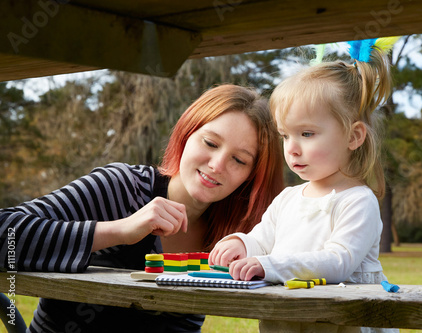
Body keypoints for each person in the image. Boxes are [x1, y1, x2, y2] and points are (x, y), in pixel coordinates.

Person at [0, 84, 284, 332]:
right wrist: (120, 230)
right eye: (210, 142)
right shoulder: (121, 188)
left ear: (252, 176)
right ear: (186, 134)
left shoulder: (231, 240)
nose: (217, 164)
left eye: (239, 160)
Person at [209, 44, 393, 288]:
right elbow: (263, 241)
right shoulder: (287, 199)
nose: (291, 148)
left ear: (353, 136)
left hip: (339, 321)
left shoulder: (357, 201)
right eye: (285, 136)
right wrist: (242, 244)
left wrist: (269, 266)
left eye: (306, 134)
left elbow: (339, 262)